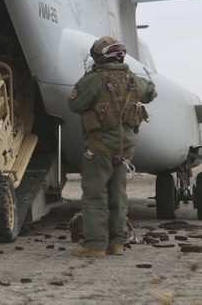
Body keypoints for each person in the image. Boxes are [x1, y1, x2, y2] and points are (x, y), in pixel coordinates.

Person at [68, 36, 156, 257]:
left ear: (99, 56)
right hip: (124, 149)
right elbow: (151, 92)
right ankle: (117, 243)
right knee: (118, 194)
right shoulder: (132, 79)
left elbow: (74, 104)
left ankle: (95, 245)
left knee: (95, 195)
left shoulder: (93, 80)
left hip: (99, 148)